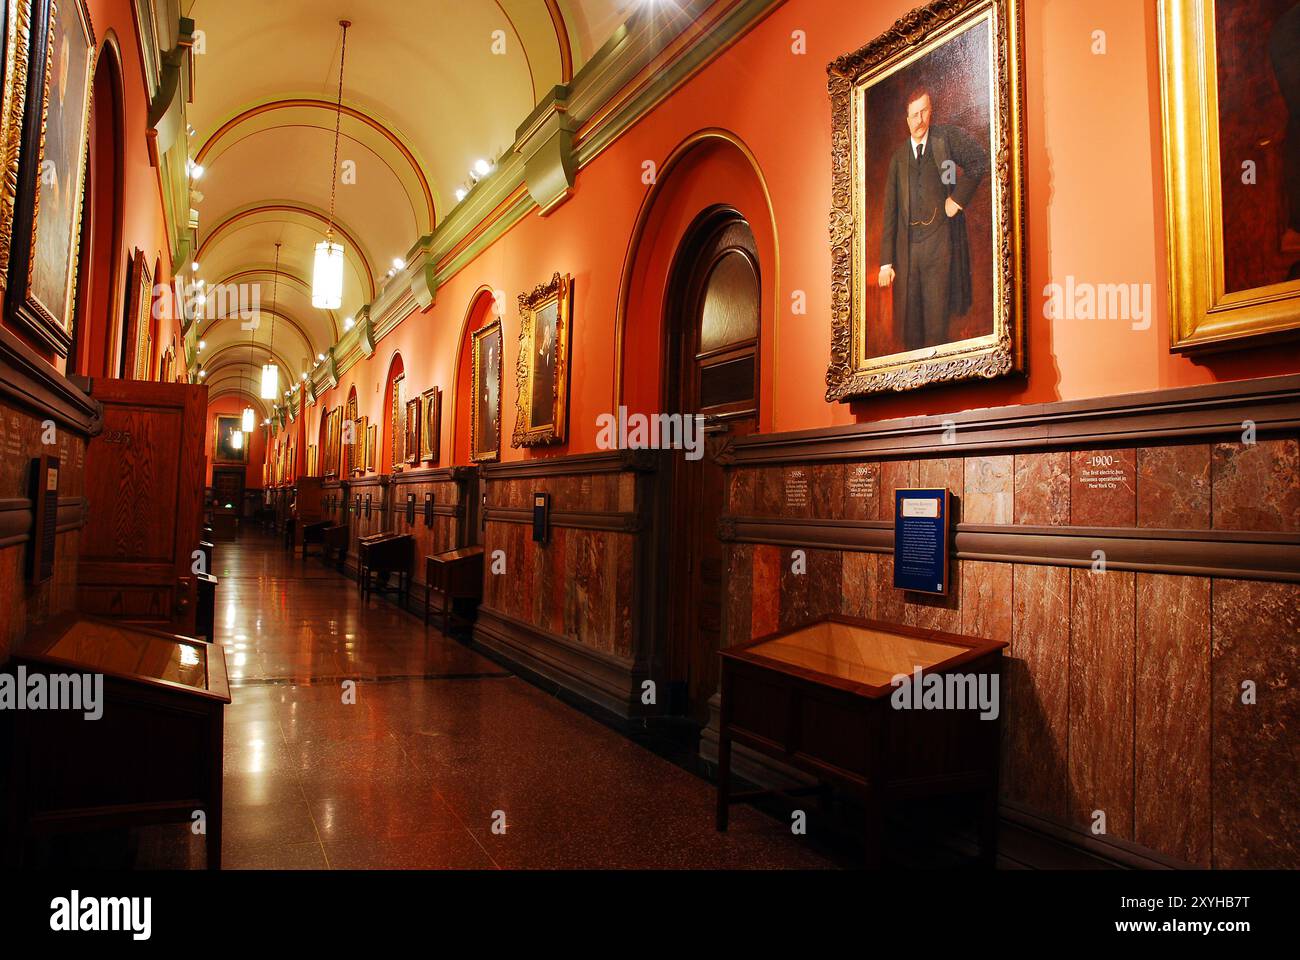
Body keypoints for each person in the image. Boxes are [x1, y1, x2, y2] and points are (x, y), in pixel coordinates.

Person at [878, 87, 989, 351]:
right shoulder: (898, 159)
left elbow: (978, 160)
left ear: (931, 111)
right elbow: (890, 212)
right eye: (914, 115)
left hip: (940, 245)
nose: (920, 120)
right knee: (911, 328)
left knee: (938, 324)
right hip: (908, 252)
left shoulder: (945, 140)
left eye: (924, 111)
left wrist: (957, 199)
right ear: (907, 120)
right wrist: (885, 263)